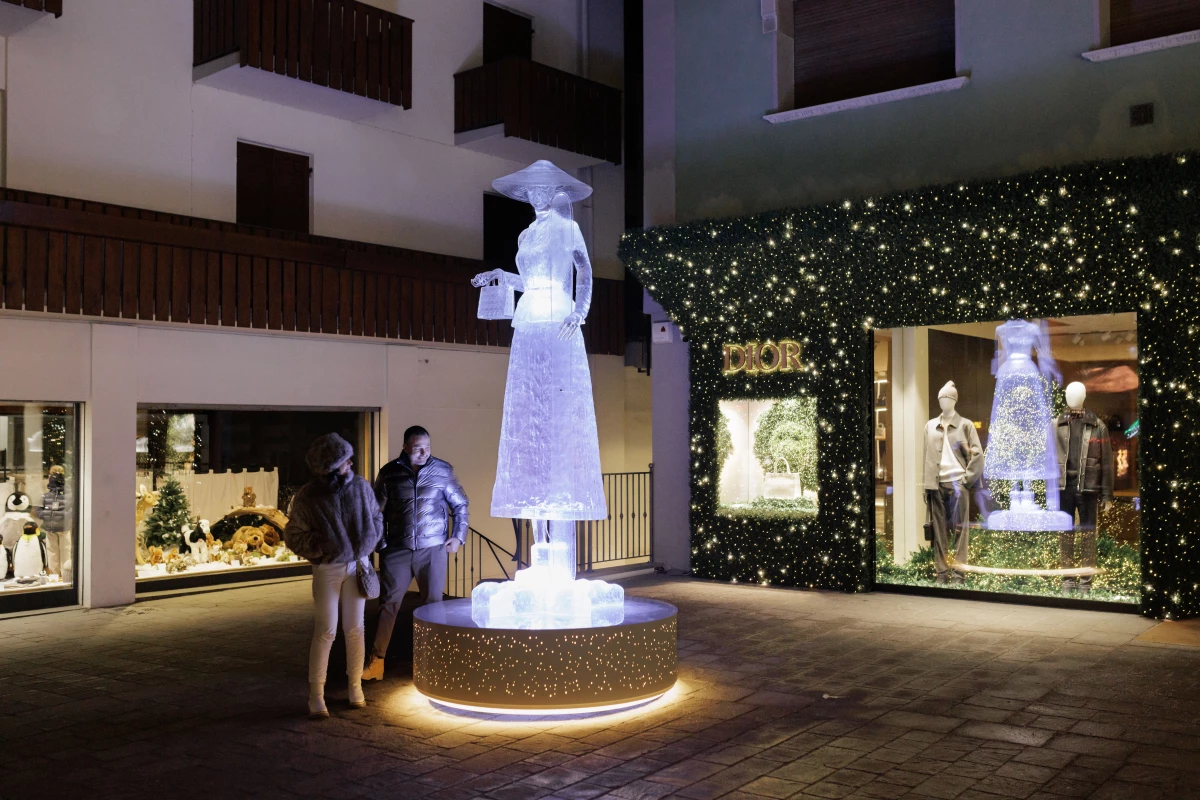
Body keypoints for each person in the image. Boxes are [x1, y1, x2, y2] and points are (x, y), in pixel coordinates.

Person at [283, 433, 383, 719]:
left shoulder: (361, 487)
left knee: (355, 629)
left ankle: (355, 688)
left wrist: (367, 542)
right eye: (343, 461)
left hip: (358, 566)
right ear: (329, 467)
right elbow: (293, 535)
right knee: (326, 631)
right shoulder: (308, 496)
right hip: (327, 568)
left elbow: (376, 517)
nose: (350, 463)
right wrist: (323, 548)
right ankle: (316, 695)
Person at [363, 426, 468, 681]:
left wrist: (458, 537)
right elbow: (376, 511)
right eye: (418, 447)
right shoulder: (389, 472)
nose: (424, 452)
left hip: (433, 549)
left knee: (433, 606)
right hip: (397, 550)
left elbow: (460, 504)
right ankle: (376, 662)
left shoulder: (443, 470)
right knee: (388, 605)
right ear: (405, 446)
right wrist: (381, 543)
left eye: (427, 447)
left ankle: (436, 661)